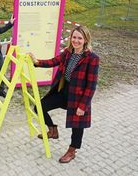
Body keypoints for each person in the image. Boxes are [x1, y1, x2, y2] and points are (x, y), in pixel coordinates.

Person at [28, 26, 99, 163]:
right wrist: (37, 62)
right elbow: (54, 61)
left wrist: (83, 106)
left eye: (79, 38)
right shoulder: (68, 52)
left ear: (85, 40)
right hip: (64, 92)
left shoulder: (92, 58)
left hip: (78, 98)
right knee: (39, 107)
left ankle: (72, 151)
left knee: (77, 126)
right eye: (74, 37)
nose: (76, 40)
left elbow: (91, 85)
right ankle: (52, 130)